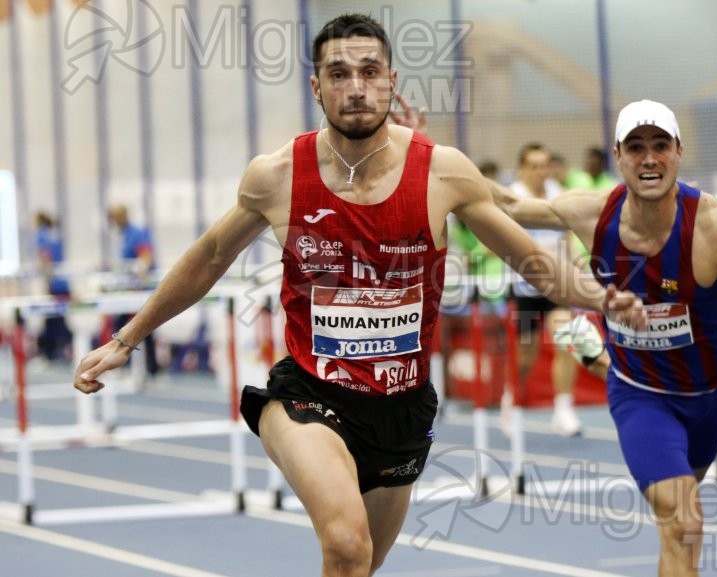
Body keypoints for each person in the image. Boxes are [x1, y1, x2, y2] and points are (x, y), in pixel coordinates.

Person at [73, 14, 646, 577]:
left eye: (370, 72)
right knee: (346, 544)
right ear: (316, 86)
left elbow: (536, 264)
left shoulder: (442, 172)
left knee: (359, 564)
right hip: (309, 393)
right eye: (339, 74)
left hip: (402, 404)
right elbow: (209, 258)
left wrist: (605, 299)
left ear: (392, 82)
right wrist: (128, 338)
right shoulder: (277, 176)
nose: (356, 88)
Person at [489, 99, 717, 577]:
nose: (649, 158)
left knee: (677, 537)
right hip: (640, 395)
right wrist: (424, 156)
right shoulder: (591, 213)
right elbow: (507, 205)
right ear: (619, 156)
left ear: (678, 151)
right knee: (684, 521)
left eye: (660, 146)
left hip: (708, 396)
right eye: (636, 147)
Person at [507, 142, 584, 436]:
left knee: (568, 339)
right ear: (523, 169)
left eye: (544, 165)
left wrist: (580, 264)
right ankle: (511, 400)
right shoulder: (513, 196)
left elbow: (567, 239)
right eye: (534, 166)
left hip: (555, 287)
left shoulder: (557, 195)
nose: (541, 171)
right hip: (524, 288)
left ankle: (563, 409)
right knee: (526, 355)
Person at [107, 203, 160, 376]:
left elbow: (145, 257)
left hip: (140, 289)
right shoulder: (125, 235)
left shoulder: (136, 233)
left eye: (115, 217)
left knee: (137, 326)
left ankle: (150, 369)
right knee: (127, 326)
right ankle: (137, 366)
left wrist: (137, 279)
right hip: (129, 289)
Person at [34, 211, 72, 362]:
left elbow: (45, 258)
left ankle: (51, 353)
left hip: (54, 284)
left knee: (53, 318)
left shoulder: (41, 235)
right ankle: (59, 350)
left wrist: (47, 282)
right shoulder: (56, 236)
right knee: (59, 317)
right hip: (63, 283)